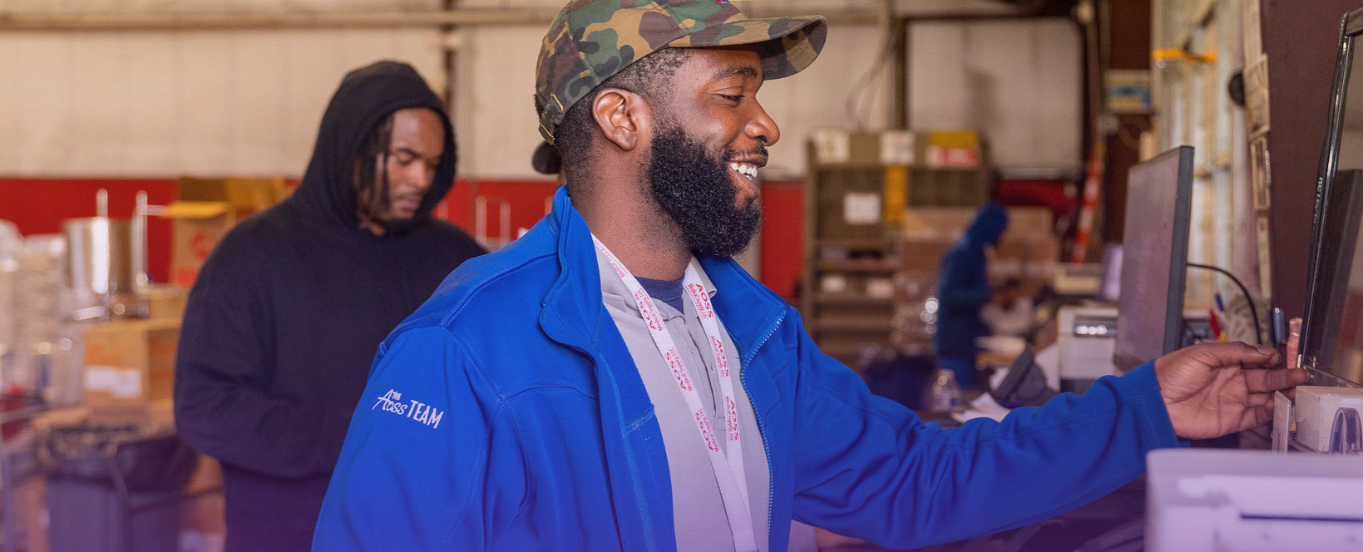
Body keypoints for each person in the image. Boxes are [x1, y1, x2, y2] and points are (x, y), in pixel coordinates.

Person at [313, 2, 1307, 550]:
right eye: (730, 93)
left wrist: (1148, 412)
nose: (765, 125)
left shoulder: (748, 329)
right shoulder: (470, 351)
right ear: (621, 119)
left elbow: (917, 482)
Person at [174, 61, 485, 552]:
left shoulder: (456, 261)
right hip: (291, 530)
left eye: (431, 162)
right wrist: (360, 435)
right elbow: (205, 406)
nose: (420, 180)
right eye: (403, 158)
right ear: (351, 149)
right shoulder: (253, 255)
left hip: (422, 530)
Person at [935, 201, 1009, 389]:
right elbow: (948, 294)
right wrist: (988, 296)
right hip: (954, 344)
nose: (1001, 237)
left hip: (967, 341)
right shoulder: (962, 253)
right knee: (956, 400)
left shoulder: (976, 252)